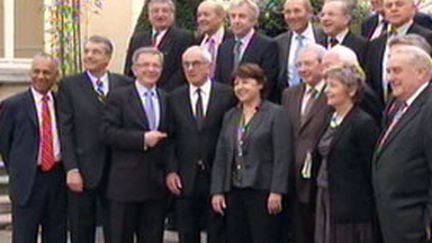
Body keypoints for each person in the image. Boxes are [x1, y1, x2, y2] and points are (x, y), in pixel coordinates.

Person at [57, 35, 132, 243]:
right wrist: (71, 169)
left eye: (96, 52)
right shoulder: (69, 86)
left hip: (118, 171)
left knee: (118, 230)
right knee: (82, 229)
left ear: (108, 58)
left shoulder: (124, 84)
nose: (89, 56)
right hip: (83, 170)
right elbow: (65, 130)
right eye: (87, 51)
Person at [211, 63, 293, 243]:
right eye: (237, 83)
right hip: (234, 190)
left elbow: (282, 155)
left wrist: (277, 191)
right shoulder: (231, 116)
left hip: (263, 190)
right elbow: (222, 155)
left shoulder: (276, 114)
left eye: (246, 82)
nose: (240, 87)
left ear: (260, 84)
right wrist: (217, 191)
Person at [166, 46, 236, 243]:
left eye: (196, 64)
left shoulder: (227, 95)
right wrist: (171, 170)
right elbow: (169, 138)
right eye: (186, 64)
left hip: (217, 176)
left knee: (218, 232)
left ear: (209, 67)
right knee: (187, 232)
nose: (190, 69)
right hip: (184, 178)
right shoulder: (174, 98)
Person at [100, 47, 169, 243]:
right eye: (145, 64)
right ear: (135, 69)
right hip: (125, 186)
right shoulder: (119, 96)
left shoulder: (165, 98)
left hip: (155, 186)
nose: (151, 69)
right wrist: (141, 139)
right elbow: (106, 133)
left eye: (156, 65)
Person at [0, 53, 66, 243]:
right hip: (28, 181)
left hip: (57, 179)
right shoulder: (12, 105)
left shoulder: (62, 103)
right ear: (30, 73)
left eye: (47, 72)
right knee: (24, 237)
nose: (41, 76)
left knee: (56, 235)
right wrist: (20, 168)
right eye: (36, 71)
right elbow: (5, 144)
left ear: (55, 76)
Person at [372, 45, 432, 243]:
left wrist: (427, 224)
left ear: (421, 72)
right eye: (388, 71)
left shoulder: (428, 108)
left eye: (397, 71)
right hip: (394, 222)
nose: (390, 78)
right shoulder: (398, 105)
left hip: (415, 226)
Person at [314, 63, 379, 243]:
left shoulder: (363, 123)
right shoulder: (330, 117)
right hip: (326, 196)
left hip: (351, 207)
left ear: (351, 90)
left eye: (333, 85)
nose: (327, 90)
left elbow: (371, 169)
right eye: (326, 85)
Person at [281, 43, 330, 243]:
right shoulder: (289, 94)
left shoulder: (332, 93)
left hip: (319, 177)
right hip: (292, 176)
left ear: (322, 65)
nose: (302, 69)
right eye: (299, 65)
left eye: (307, 64)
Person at [365, 0, 432, 105]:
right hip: (383, 114)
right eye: (389, 5)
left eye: (399, 4)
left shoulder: (427, 38)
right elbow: (370, 79)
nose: (393, 9)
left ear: (413, 9)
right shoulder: (375, 44)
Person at [214, 0, 279, 100]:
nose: (236, 21)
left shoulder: (267, 46)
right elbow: (219, 81)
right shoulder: (224, 47)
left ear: (253, 20)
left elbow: (268, 82)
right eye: (233, 16)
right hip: (228, 110)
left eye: (242, 16)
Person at [124, 0, 194, 92]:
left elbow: (182, 70)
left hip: (170, 95)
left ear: (172, 14)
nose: (160, 15)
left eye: (164, 11)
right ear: (149, 15)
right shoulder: (137, 39)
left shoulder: (184, 38)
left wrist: (161, 93)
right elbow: (129, 70)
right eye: (155, 11)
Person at [322, 45, 384, 125]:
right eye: (323, 67)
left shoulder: (365, 96)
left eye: (328, 66)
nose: (324, 72)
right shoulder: (331, 113)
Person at [275, 0, 326, 96]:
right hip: (290, 101)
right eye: (288, 12)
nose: (292, 16)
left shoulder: (325, 37)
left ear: (309, 13)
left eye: (297, 11)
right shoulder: (279, 42)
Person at [319, 0, 368, 65]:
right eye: (322, 15)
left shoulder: (362, 46)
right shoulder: (318, 44)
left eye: (331, 14)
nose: (325, 19)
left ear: (346, 19)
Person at [196, 0, 233, 78]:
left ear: (220, 17)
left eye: (206, 15)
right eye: (199, 15)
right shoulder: (197, 42)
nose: (201, 19)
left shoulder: (232, 40)